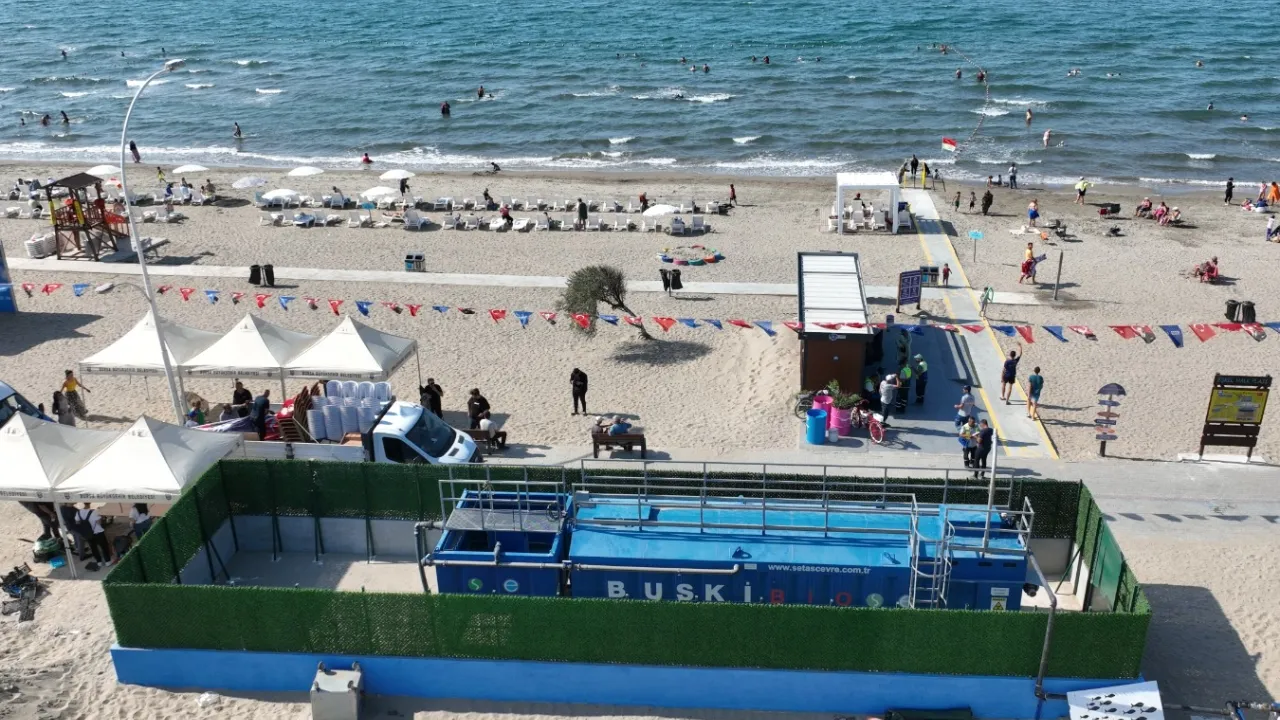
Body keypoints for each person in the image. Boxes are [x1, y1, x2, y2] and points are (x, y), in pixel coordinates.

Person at [75, 503, 114, 567]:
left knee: (93, 548)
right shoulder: (94, 512)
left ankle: (99, 561)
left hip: (88, 534)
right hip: (98, 532)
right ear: (90, 503)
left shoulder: (78, 513)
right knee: (104, 547)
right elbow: (99, 522)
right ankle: (107, 561)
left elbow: (77, 522)